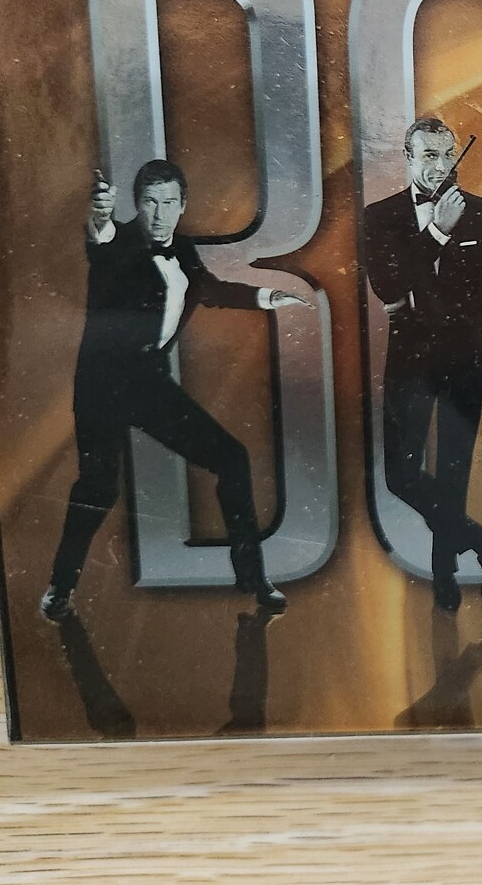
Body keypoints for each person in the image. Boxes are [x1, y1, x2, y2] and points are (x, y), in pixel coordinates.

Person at [41, 161, 306, 620]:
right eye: (150, 202)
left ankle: (253, 579)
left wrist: (269, 297)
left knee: (232, 459)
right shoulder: (118, 241)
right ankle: (60, 589)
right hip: (102, 387)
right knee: (98, 490)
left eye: (168, 203)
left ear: (183, 206)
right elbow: (101, 238)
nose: (159, 214)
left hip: (148, 382)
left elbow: (210, 291)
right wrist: (99, 217)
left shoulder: (182, 249)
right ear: (136, 205)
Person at [364, 118, 482, 610]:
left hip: (465, 363)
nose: (441, 166)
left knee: (453, 475)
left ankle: (444, 574)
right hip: (409, 366)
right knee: (400, 475)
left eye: (448, 155)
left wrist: (414, 299)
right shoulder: (380, 216)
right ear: (408, 157)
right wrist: (438, 234)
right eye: (429, 155)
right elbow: (385, 285)